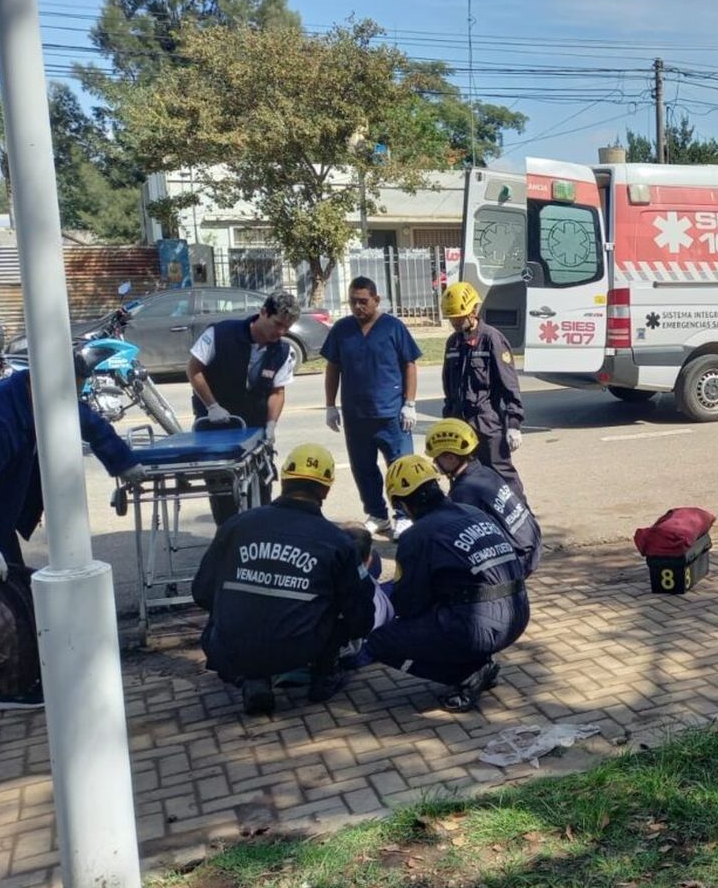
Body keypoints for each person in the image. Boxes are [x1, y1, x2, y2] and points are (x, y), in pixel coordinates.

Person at [0, 361, 141, 710]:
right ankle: (10, 686)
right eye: (65, 391)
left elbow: (92, 424)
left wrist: (124, 463)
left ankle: (18, 676)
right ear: (38, 382)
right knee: (3, 605)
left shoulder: (45, 398)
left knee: (11, 594)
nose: (69, 400)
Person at [192, 443, 375, 715]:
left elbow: (202, 592)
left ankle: (250, 676)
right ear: (326, 489)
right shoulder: (337, 542)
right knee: (343, 608)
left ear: (284, 480)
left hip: (227, 647)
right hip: (299, 648)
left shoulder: (237, 525)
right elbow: (359, 618)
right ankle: (324, 675)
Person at [364, 455, 528, 711]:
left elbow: (408, 604)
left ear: (403, 504)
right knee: (451, 603)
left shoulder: (418, 536)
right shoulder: (473, 513)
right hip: (518, 615)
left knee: (380, 642)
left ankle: (466, 674)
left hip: (479, 627)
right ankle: (476, 659)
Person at [187, 290, 301, 523]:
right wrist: (212, 406)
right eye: (277, 324)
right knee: (224, 494)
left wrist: (270, 425)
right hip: (216, 427)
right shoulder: (220, 334)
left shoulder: (282, 351)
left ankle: (260, 538)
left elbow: (277, 392)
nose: (280, 332)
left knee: (263, 488)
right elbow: (193, 370)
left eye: (286, 329)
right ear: (263, 313)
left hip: (255, 427)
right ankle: (228, 537)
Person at [322, 277, 422, 538]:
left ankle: (403, 516)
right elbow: (333, 367)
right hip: (356, 416)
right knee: (363, 469)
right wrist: (330, 406)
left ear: (376, 300)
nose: (358, 307)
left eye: (363, 301)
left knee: (400, 468)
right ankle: (378, 514)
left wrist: (409, 404)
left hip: (391, 415)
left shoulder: (393, 327)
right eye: (353, 301)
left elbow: (409, 365)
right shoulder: (342, 330)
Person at [439, 281, 527, 501]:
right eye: (452, 318)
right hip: (460, 425)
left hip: (487, 423)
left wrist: (513, 424)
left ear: (473, 311)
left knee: (501, 477)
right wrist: (448, 422)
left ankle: (520, 518)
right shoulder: (453, 344)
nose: (456, 323)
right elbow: (449, 390)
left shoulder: (492, 339)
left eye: (459, 317)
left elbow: (509, 385)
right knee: (461, 478)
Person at [424, 418, 542, 574]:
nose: (434, 462)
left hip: (518, 560)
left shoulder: (464, 491)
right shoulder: (485, 472)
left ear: (450, 458)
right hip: (533, 544)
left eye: (437, 457)